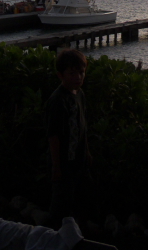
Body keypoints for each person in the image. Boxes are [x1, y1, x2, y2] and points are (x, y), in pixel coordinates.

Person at [46, 48, 91, 227]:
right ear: (60, 75)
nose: (78, 77)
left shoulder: (80, 95)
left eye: (81, 72)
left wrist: (87, 154)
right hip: (64, 163)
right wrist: (56, 167)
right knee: (60, 205)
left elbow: (82, 128)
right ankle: (53, 235)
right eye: (72, 73)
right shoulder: (58, 100)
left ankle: (77, 232)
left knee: (81, 200)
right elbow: (53, 136)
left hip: (79, 160)